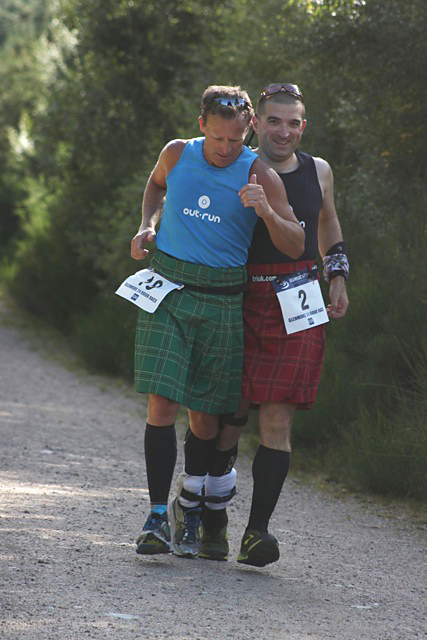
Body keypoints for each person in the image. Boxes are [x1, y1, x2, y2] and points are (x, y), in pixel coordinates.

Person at [130, 85, 305, 559]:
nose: (227, 149)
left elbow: (294, 245)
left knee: (205, 418)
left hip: (224, 297)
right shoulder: (176, 153)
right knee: (161, 404)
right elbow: (155, 187)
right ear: (202, 124)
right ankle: (154, 519)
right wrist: (148, 224)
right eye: (219, 139)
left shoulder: (259, 173)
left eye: (236, 140)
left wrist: (266, 210)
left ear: (247, 131)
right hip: (168, 288)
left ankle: (194, 510)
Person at [199, 83, 349, 566]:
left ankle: (257, 533)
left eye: (293, 123)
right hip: (242, 294)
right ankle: (212, 522)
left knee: (278, 417)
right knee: (230, 418)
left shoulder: (319, 171)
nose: (283, 131)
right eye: (274, 122)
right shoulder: (233, 166)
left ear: (303, 127)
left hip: (299, 294)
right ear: (257, 124)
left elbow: (327, 225)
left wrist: (338, 275)